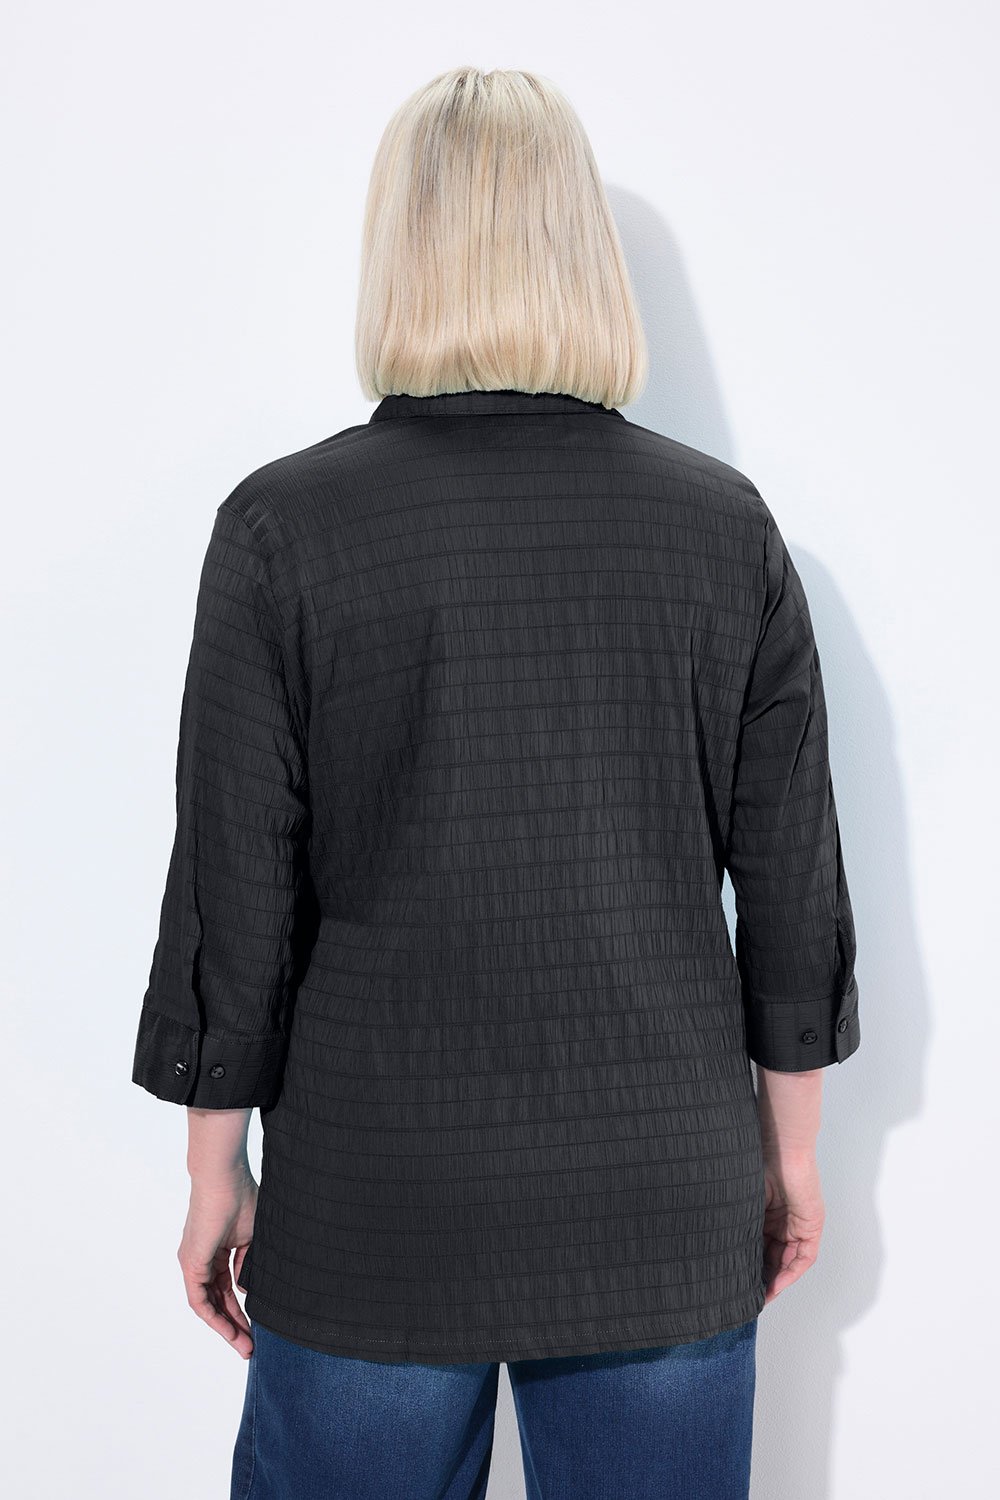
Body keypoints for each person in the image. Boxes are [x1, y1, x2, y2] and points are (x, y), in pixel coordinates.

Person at [131, 65, 861, 1500]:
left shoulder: (284, 531)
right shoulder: (723, 532)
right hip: (657, 1197)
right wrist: (793, 1154)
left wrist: (214, 1173)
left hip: (371, 1208)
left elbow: (234, 891)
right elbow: (791, 890)